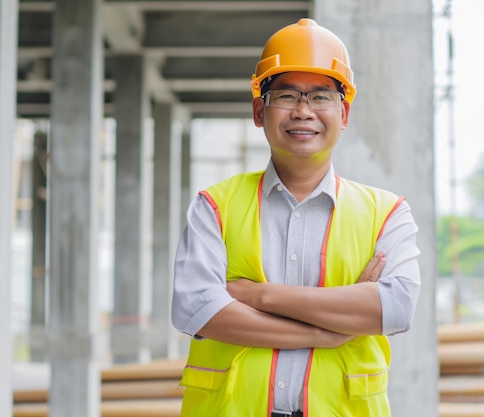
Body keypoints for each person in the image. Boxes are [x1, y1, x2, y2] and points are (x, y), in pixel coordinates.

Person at [171, 18, 421, 417]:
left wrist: (258, 296)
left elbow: (395, 308)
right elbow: (195, 309)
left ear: (344, 113)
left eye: (321, 97)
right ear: (259, 110)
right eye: (287, 95)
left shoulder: (386, 213)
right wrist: (328, 332)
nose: (304, 111)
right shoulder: (214, 206)